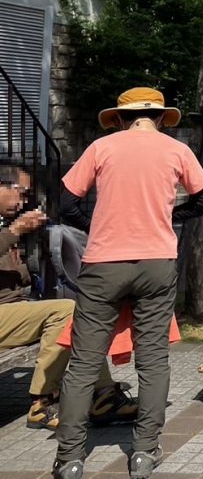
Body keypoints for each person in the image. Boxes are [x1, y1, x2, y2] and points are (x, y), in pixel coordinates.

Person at [52, 88, 203, 479]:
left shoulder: (101, 147)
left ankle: (70, 459)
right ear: (160, 118)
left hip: (103, 264)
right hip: (157, 262)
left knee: (85, 361)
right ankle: (143, 452)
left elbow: (67, 203)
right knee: (153, 359)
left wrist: (97, 226)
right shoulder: (176, 151)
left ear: (120, 118)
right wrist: (171, 215)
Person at [1, 161, 137, 433]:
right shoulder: (8, 228)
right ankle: (43, 400)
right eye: (22, 192)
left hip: (11, 309)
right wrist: (14, 233)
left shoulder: (6, 225)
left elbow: (21, 280)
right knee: (65, 311)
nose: (24, 200)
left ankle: (102, 395)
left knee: (82, 314)